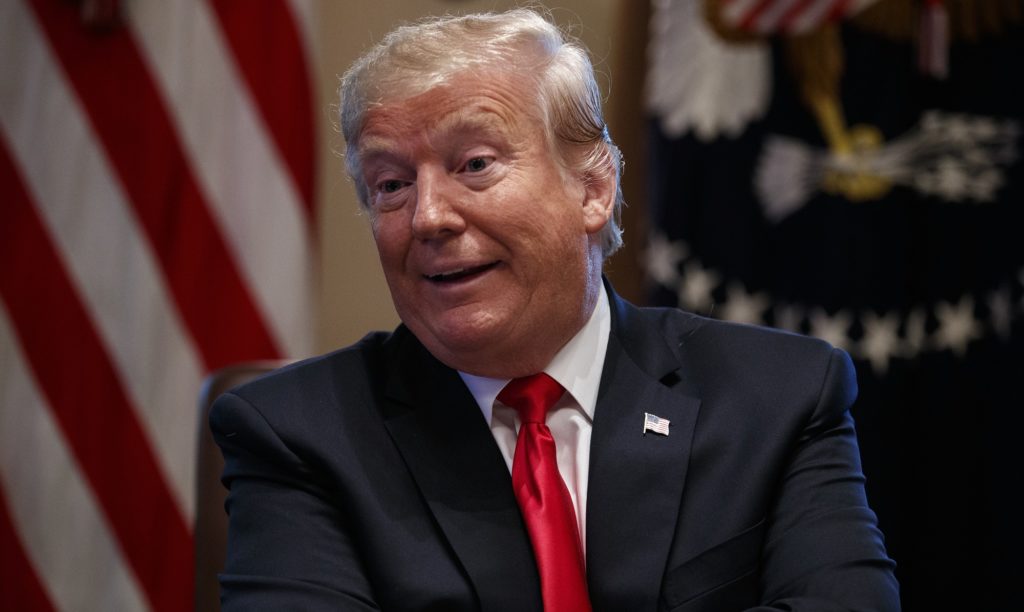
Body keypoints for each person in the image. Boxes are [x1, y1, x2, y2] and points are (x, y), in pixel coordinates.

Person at [211, 8, 899, 611]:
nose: (427, 217)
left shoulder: (776, 397)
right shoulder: (296, 434)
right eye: (390, 184)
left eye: (474, 164)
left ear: (593, 189)